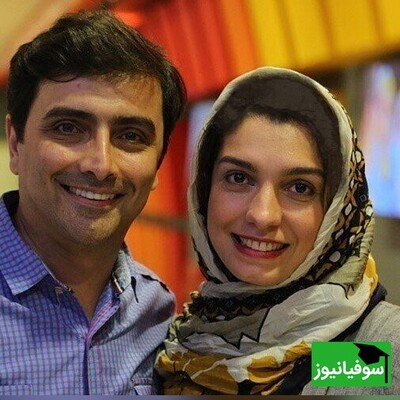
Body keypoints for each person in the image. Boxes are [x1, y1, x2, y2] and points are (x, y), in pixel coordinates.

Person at [156, 67, 400, 395]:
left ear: (339, 209)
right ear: (204, 189)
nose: (263, 215)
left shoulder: (379, 353)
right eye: (239, 178)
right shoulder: (177, 343)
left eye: (299, 187)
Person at [0, 9, 186, 396]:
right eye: (68, 128)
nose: (100, 166)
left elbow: (307, 370)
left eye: (131, 136)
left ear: (157, 164)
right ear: (16, 144)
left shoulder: (158, 311)